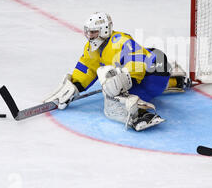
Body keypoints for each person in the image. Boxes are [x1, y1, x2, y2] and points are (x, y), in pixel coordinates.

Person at [44, 12, 190, 131]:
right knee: (115, 84)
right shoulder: (92, 49)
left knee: (115, 86)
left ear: (104, 30)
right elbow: (87, 68)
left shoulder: (120, 41)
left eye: (94, 32)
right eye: (88, 32)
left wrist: (121, 86)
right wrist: (74, 86)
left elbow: (136, 62)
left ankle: (141, 115)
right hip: (146, 75)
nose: (90, 36)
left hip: (156, 69)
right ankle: (177, 80)